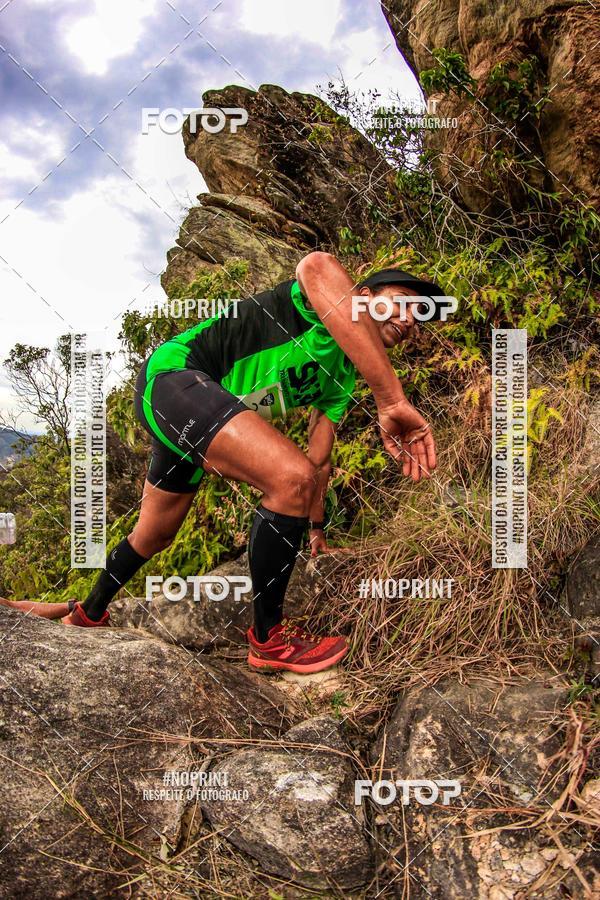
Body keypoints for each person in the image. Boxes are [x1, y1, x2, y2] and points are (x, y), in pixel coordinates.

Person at [11, 253, 440, 674]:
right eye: (400, 302)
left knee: (153, 535)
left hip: (196, 417)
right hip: (175, 378)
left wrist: (315, 528)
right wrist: (392, 399)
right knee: (290, 478)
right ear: (362, 296)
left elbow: (320, 458)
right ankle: (269, 640)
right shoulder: (325, 303)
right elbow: (315, 265)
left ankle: (88, 612)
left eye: (418, 316)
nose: (409, 319)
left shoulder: (344, 376)